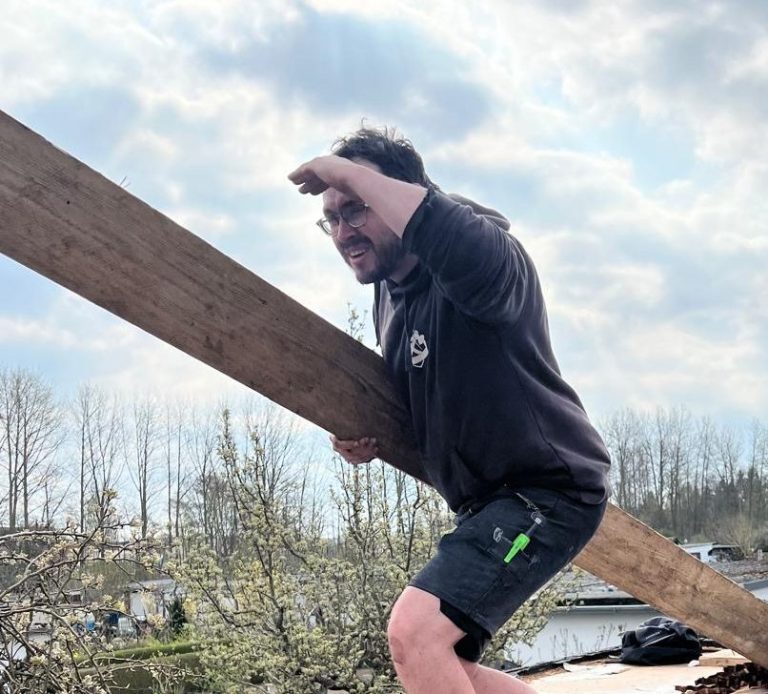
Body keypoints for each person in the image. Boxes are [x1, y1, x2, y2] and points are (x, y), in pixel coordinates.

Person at [288, 127, 611, 694]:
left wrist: (347, 171)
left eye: (355, 207)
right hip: (486, 505)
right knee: (444, 662)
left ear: (403, 193)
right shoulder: (389, 294)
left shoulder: (487, 258)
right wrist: (367, 434)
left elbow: (450, 237)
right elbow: (425, 391)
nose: (342, 233)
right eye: (331, 219)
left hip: (548, 493)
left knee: (415, 633)